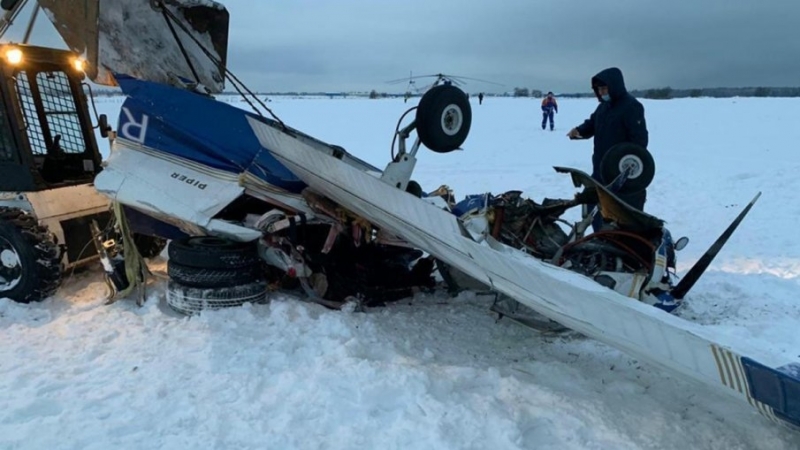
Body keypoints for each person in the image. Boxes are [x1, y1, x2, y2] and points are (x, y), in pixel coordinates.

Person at [566, 67, 649, 229]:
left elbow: (639, 142)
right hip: (600, 171)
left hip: (621, 176)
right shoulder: (603, 107)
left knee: (621, 218)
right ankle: (600, 239)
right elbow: (592, 123)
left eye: (604, 88)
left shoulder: (631, 107)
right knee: (595, 211)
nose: (602, 92)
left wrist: (627, 167)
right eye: (599, 89)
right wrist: (579, 130)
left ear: (615, 86)